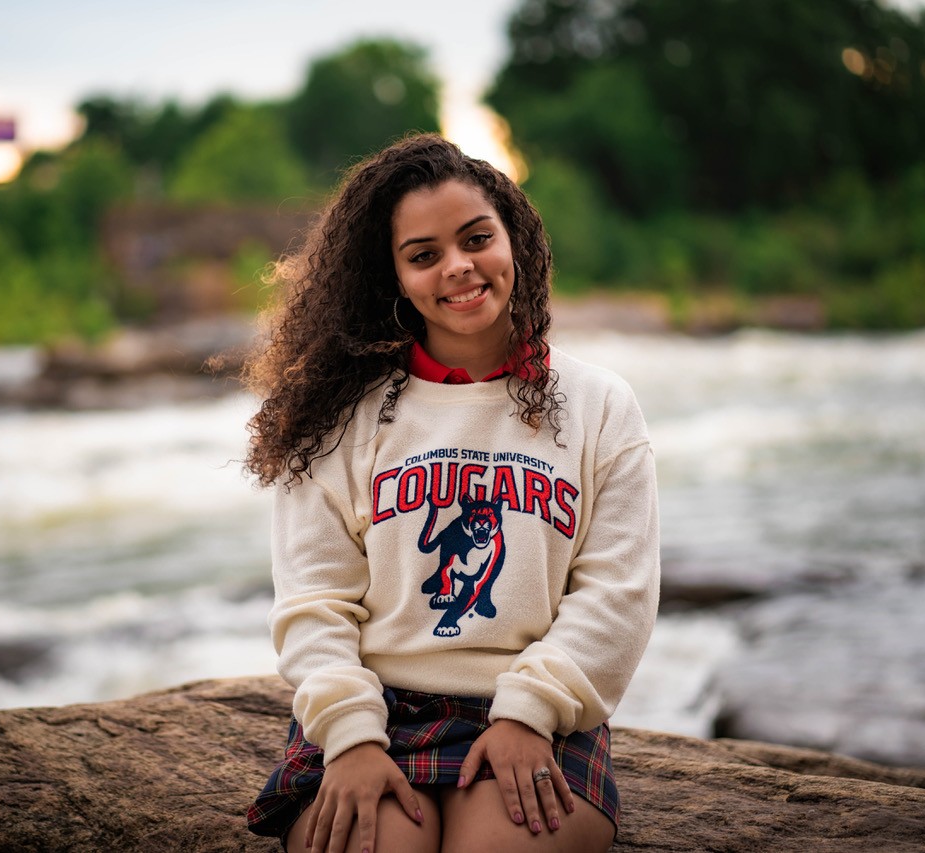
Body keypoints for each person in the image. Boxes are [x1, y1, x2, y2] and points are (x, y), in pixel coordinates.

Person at [242, 133, 659, 853]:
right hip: (372, 709)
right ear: (394, 276)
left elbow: (617, 593)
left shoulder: (600, 404)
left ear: (515, 241)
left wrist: (530, 712)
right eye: (424, 254)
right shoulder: (342, 415)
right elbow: (313, 599)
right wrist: (348, 736)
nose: (458, 267)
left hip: (537, 711)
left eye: (476, 239)